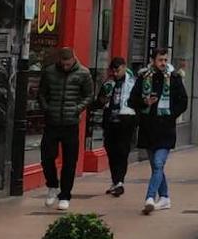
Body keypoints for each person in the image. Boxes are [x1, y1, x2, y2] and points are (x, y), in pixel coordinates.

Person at [130, 49, 188, 214]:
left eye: (165, 60)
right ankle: (165, 197)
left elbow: (183, 101)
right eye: (160, 60)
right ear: (152, 60)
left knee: (158, 164)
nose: (163, 63)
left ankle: (150, 197)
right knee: (156, 167)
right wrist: (145, 102)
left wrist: (171, 114)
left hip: (166, 129)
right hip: (148, 129)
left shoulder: (174, 78)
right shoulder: (143, 77)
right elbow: (132, 100)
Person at [37, 47, 94, 211]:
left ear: (73, 60)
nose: (66, 67)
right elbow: (42, 93)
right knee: (47, 157)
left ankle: (65, 195)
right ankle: (52, 185)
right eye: (63, 64)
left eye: (68, 64)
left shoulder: (84, 73)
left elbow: (89, 95)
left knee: (70, 161)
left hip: (71, 123)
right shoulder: (49, 72)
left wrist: (77, 108)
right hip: (52, 122)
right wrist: (47, 108)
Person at [95, 57, 136, 197]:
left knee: (122, 151)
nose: (116, 73)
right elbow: (99, 100)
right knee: (111, 150)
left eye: (118, 70)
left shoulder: (133, 81)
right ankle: (115, 181)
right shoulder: (109, 82)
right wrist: (102, 100)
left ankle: (119, 182)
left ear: (124, 67)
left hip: (126, 118)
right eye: (113, 71)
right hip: (110, 120)